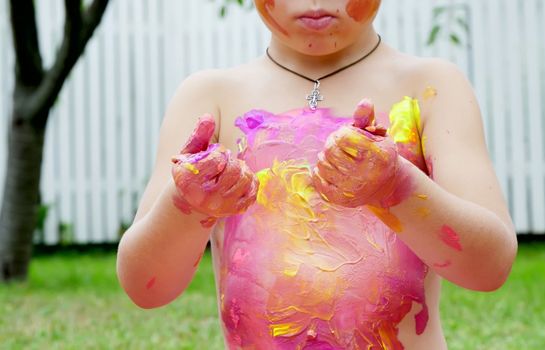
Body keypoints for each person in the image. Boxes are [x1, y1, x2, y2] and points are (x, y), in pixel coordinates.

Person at [116, 1, 517, 348]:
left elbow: (490, 266)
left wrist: (396, 187)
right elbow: (144, 286)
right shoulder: (211, 97)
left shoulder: (430, 86)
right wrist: (186, 206)